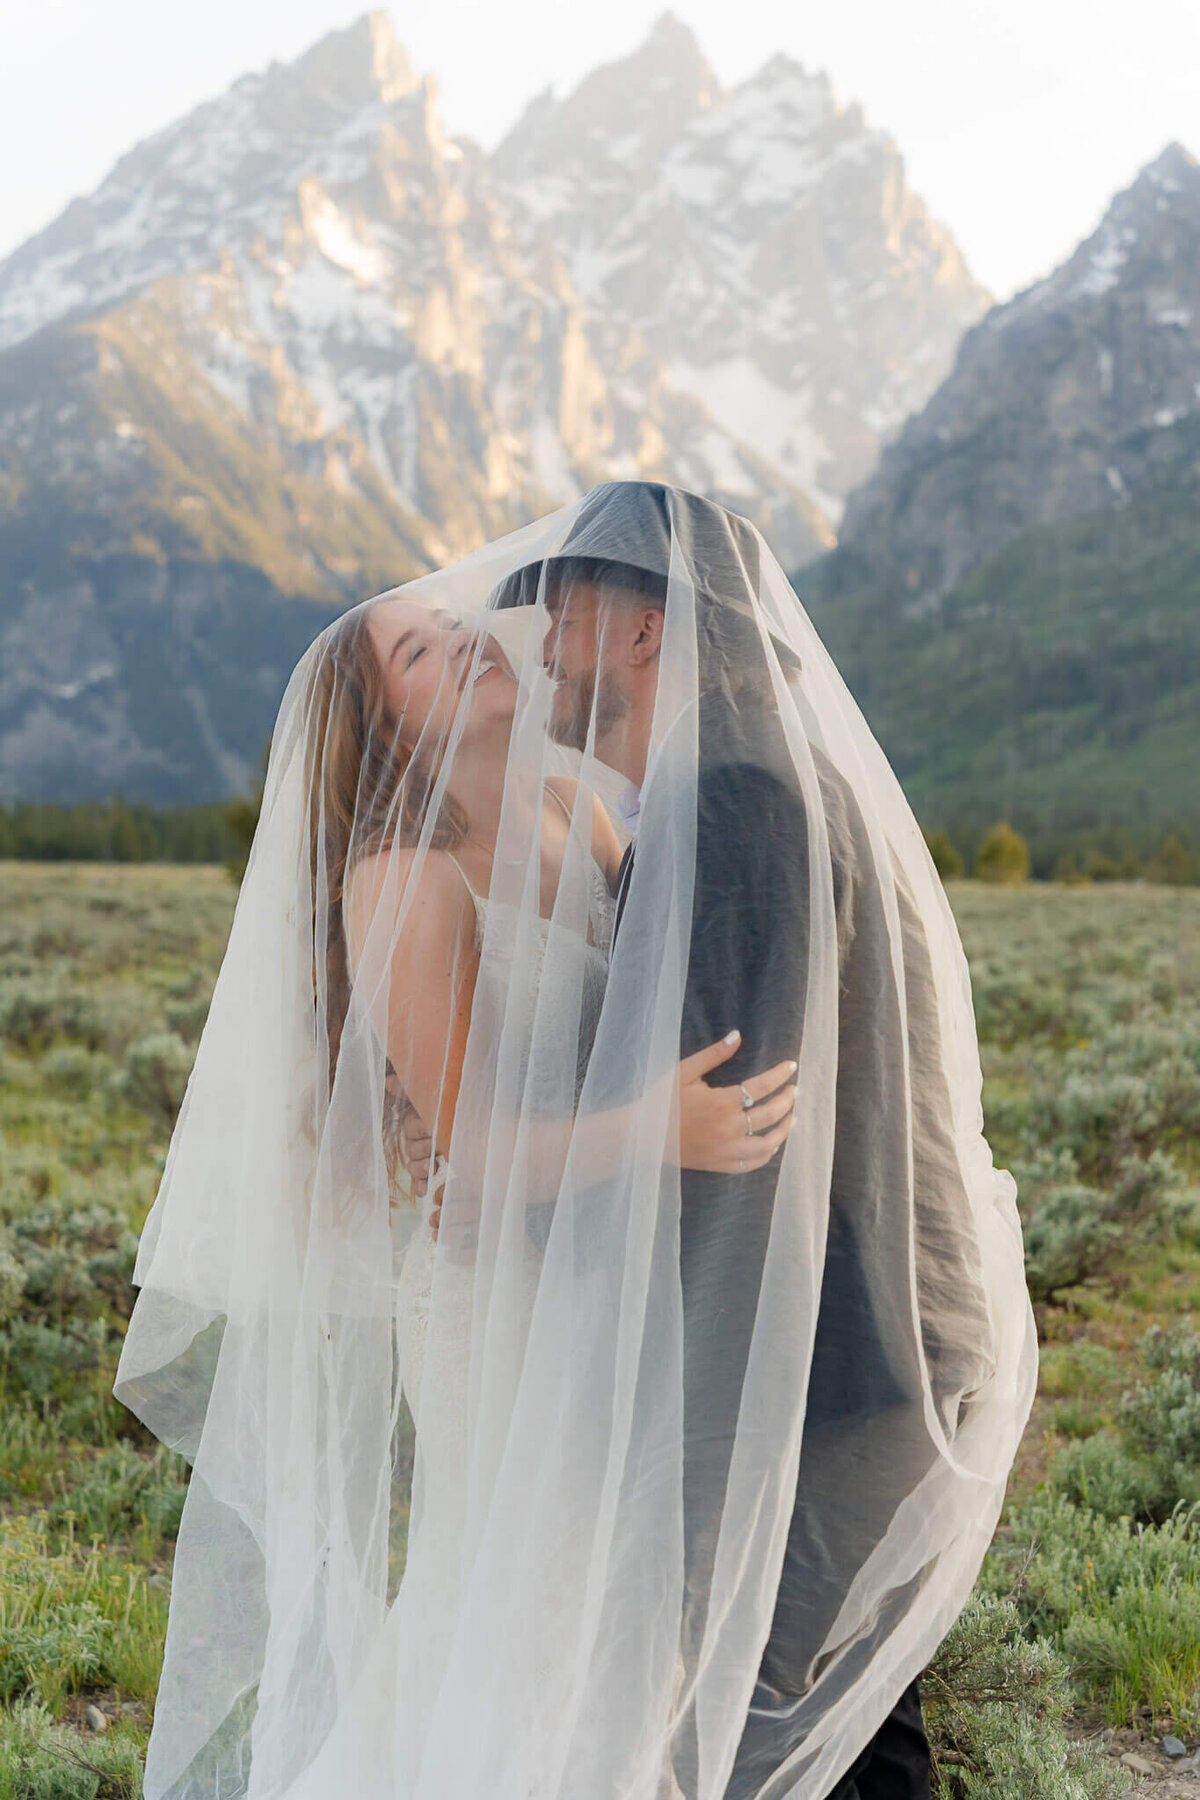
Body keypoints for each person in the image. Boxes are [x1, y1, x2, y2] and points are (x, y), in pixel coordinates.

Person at [114, 481, 1036, 1800]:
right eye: (431, 650)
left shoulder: (599, 815)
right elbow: (482, 1144)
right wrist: (650, 1132)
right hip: (505, 1293)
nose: (504, 638)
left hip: (627, 1291)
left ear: (644, 627)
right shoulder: (400, 874)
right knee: (552, 1620)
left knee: (643, 1648)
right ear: (387, 722)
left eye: (509, 621)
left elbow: (682, 1036)